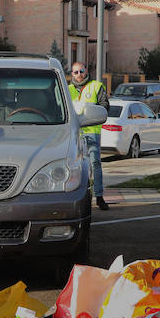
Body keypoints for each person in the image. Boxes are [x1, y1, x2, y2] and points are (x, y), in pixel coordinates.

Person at [67, 62, 109, 210]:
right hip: (73, 133)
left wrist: (90, 111)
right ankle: (71, 197)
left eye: (81, 71)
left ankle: (99, 196)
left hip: (92, 131)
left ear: (86, 71)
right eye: (76, 72)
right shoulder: (67, 89)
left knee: (95, 164)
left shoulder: (96, 86)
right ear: (71, 74)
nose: (79, 75)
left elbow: (105, 107)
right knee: (71, 166)